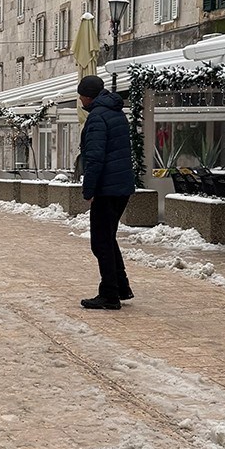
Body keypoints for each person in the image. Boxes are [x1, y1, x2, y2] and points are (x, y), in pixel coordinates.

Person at [77, 74, 135, 310]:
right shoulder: (116, 113)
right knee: (108, 238)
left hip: (106, 187)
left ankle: (110, 294)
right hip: (121, 186)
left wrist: (89, 189)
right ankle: (121, 286)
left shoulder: (97, 117)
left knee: (100, 242)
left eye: (81, 95)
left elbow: (95, 157)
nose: (80, 100)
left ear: (87, 96)